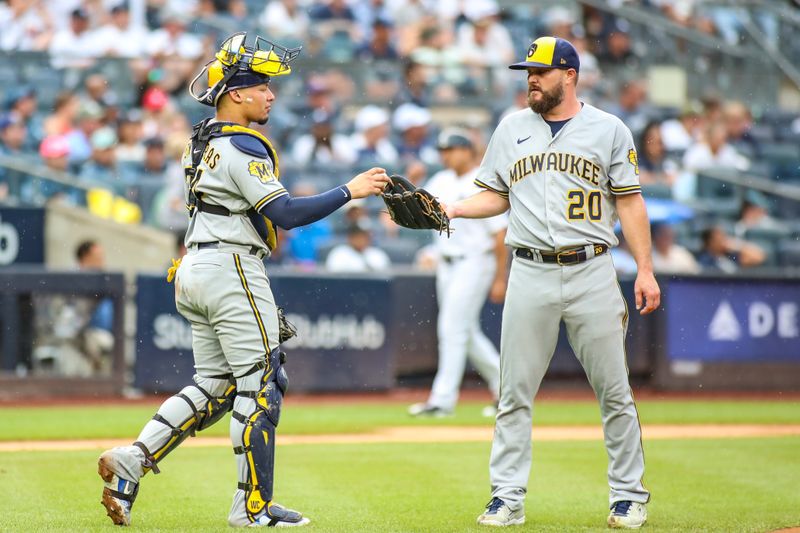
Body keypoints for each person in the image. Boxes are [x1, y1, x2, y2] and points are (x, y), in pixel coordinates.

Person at [96, 32, 389, 528]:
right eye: (263, 86)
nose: (271, 94)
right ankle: (251, 507)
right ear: (237, 93)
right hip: (230, 266)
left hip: (195, 266)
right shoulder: (242, 142)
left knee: (214, 386)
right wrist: (350, 189)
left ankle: (133, 459)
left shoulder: (203, 139)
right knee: (262, 386)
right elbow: (286, 213)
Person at [442, 37, 660, 529]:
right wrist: (455, 207)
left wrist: (645, 269)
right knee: (513, 392)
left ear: (570, 75)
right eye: (528, 73)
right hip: (530, 270)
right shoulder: (511, 128)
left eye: (540, 71)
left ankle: (628, 495)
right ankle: (506, 496)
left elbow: (629, 202)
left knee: (615, 391)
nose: (531, 80)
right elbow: (493, 195)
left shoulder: (608, 129)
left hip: (592, 269)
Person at [407, 128, 507, 418]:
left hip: (476, 261)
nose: (445, 155)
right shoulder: (441, 180)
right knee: (466, 332)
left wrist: (501, 277)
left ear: (468, 150)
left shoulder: (482, 182)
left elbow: (500, 235)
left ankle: (442, 400)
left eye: (451, 149)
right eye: (442, 151)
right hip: (447, 262)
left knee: (452, 328)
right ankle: (507, 389)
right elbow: (420, 214)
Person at [325, 220, 391, 272]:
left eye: (364, 236)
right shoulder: (339, 253)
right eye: (357, 236)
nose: (360, 240)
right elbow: (333, 279)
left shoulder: (378, 255)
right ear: (350, 237)